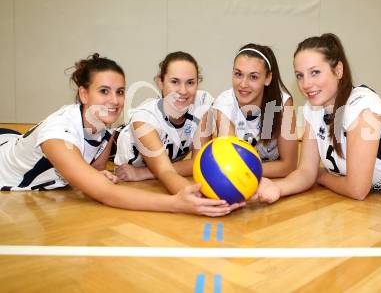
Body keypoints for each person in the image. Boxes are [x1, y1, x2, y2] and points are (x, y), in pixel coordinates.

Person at [0, 53, 237, 216]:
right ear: (83, 94)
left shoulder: (104, 128)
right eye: (104, 91)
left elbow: (95, 174)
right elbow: (105, 193)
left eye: (120, 91)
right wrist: (176, 203)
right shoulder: (57, 134)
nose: (114, 101)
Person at [257, 33, 381, 202]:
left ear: (338, 70)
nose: (306, 84)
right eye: (300, 75)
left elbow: (357, 190)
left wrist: (321, 176)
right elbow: (306, 171)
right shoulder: (312, 109)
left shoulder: (363, 108)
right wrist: (276, 188)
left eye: (315, 72)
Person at [113, 51, 214, 189]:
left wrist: (143, 173)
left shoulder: (202, 103)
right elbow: (165, 171)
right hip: (114, 149)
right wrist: (197, 198)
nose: (183, 91)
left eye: (190, 82)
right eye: (174, 82)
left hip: (152, 169)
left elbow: (198, 163)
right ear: (160, 82)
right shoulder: (144, 119)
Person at [213, 43, 298, 178]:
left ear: (268, 78)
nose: (243, 84)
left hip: (272, 182)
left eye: (253, 77)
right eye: (238, 74)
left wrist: (246, 171)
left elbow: (289, 166)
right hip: (241, 182)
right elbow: (232, 163)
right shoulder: (224, 104)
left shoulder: (282, 103)